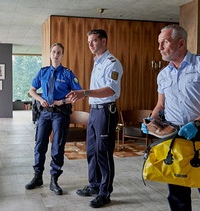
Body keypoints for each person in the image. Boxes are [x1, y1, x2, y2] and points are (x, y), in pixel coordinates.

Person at [141, 24, 200, 210]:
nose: (159, 47)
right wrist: (151, 120)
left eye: (164, 42)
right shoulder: (163, 74)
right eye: (159, 43)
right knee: (177, 196)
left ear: (180, 43)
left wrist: (197, 124)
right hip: (175, 138)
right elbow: (160, 105)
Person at [67, 29, 123, 208]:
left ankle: (105, 193)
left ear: (104, 41)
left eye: (94, 41)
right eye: (89, 41)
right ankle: (94, 185)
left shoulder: (112, 63)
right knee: (91, 150)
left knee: (103, 153)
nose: (90, 44)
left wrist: (85, 92)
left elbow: (111, 90)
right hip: (94, 111)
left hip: (106, 111)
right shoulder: (97, 62)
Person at [26, 42, 82, 195]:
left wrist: (61, 101)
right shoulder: (43, 72)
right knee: (40, 145)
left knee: (57, 147)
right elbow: (31, 90)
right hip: (44, 113)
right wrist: (39, 98)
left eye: (59, 52)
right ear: (50, 54)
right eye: (53, 52)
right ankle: (37, 177)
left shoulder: (67, 74)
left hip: (60, 114)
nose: (56, 55)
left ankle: (54, 180)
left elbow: (77, 94)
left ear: (62, 55)